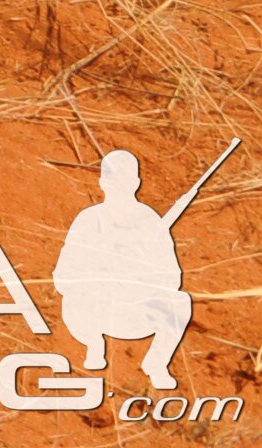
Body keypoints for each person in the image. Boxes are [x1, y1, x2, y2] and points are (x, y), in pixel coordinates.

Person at [53, 149, 196, 391]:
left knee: (180, 301)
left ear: (135, 183)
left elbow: (172, 279)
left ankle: (156, 364)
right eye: (115, 180)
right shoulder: (89, 219)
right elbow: (63, 277)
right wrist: (100, 274)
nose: (119, 186)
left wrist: (139, 272)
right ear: (103, 183)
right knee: (73, 299)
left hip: (136, 313)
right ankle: (94, 345)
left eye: (124, 180)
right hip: (94, 313)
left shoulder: (150, 221)